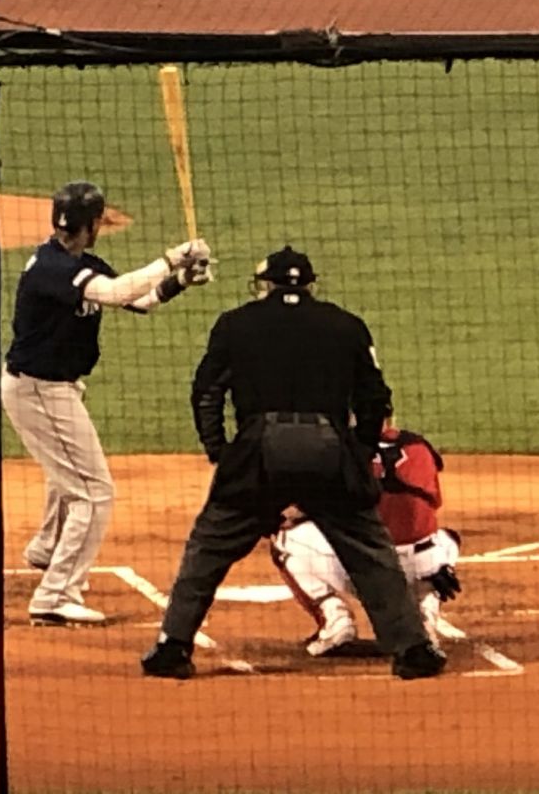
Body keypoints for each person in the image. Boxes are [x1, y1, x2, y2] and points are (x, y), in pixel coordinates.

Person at [141, 246, 445, 680]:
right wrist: (356, 453)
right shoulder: (346, 325)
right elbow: (376, 398)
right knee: (370, 551)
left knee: (208, 549)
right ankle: (412, 649)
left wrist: (221, 452)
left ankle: (172, 647)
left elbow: (206, 393)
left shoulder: (235, 324)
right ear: (310, 284)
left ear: (264, 284)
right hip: (330, 452)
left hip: (258, 453)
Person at [3, 183, 211, 626]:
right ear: (94, 223)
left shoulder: (77, 262)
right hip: (39, 389)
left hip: (47, 387)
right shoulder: (52, 268)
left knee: (68, 479)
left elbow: (136, 301)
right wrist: (171, 258)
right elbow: (115, 293)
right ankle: (55, 595)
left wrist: (180, 281)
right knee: (94, 493)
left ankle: (47, 549)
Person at [269, 418, 463, 655]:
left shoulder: (341, 448)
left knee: (284, 539)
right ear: (389, 418)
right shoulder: (419, 447)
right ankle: (426, 612)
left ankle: (335, 622)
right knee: (447, 539)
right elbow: (432, 503)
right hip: (424, 568)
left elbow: (300, 509)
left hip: (369, 573)